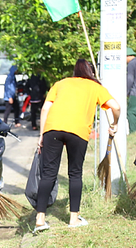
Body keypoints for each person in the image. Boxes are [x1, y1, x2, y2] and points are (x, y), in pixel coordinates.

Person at [34, 59, 121, 232]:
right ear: (91, 72)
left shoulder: (61, 83)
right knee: (75, 173)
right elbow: (116, 106)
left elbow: (45, 109)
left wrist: (42, 135)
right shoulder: (95, 86)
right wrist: (115, 124)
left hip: (53, 129)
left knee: (49, 173)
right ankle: (74, 218)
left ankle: (40, 218)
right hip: (78, 131)